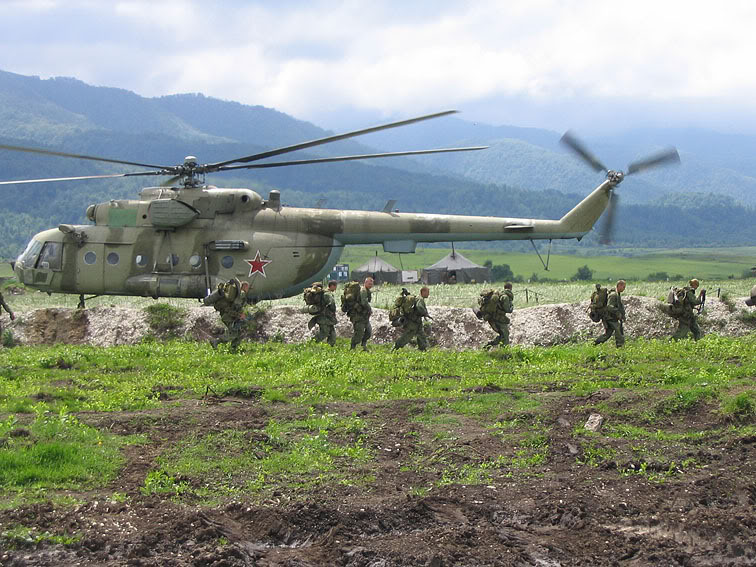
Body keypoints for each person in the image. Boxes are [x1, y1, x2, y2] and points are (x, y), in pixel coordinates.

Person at [204, 278, 249, 352]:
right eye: (247, 287)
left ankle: (233, 348)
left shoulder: (236, 296)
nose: (248, 289)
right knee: (234, 332)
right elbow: (229, 310)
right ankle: (216, 341)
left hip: (229, 316)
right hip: (227, 316)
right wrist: (239, 315)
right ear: (244, 287)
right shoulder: (238, 297)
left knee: (239, 332)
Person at [393, 286, 431, 351]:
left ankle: (423, 349)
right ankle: (395, 348)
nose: (428, 294)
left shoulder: (418, 298)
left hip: (417, 322)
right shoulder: (420, 299)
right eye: (427, 292)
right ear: (423, 292)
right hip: (413, 323)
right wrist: (425, 313)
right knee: (407, 336)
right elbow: (419, 307)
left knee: (421, 335)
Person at [594, 279, 626, 347]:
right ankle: (620, 346)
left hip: (610, 317)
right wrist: (617, 313)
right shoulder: (613, 295)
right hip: (610, 317)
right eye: (623, 287)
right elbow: (609, 307)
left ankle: (595, 343)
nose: (624, 289)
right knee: (618, 330)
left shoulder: (616, 294)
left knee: (607, 334)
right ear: (619, 285)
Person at [483, 282, 514, 348]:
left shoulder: (500, 294)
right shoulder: (505, 297)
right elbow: (507, 309)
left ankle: (489, 345)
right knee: (505, 334)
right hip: (499, 318)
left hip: (493, 317)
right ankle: (505, 350)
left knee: (502, 334)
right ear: (511, 288)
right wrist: (511, 307)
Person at [347, 277, 373, 351]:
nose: (370, 285)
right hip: (358, 316)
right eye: (369, 283)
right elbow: (364, 302)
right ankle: (352, 347)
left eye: (371, 284)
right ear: (365, 283)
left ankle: (363, 345)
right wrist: (369, 309)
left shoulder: (367, 291)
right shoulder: (363, 291)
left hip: (364, 316)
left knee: (368, 332)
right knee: (359, 333)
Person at [310, 281, 337, 346]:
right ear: (332, 286)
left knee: (332, 334)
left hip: (328, 318)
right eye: (335, 286)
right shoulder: (327, 294)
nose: (336, 288)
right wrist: (333, 310)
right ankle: (312, 343)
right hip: (324, 317)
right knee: (324, 333)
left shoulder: (324, 293)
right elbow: (332, 303)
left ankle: (330, 347)